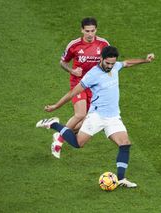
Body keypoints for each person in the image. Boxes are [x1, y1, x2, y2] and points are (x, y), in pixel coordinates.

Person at [36, 46, 155, 188]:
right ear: (101, 59)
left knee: (125, 144)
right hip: (96, 116)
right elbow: (73, 92)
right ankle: (54, 124)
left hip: (113, 117)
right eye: (107, 63)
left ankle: (121, 178)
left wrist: (145, 61)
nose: (110, 66)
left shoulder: (115, 66)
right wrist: (56, 106)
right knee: (77, 143)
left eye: (112, 63)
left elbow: (127, 63)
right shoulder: (93, 75)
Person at [52, 17, 110, 159]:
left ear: (96, 30)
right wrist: (72, 71)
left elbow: (109, 63)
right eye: (87, 31)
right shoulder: (74, 45)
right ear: (82, 30)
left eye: (92, 31)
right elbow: (63, 62)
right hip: (79, 83)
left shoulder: (103, 44)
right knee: (80, 114)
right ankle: (59, 139)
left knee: (87, 121)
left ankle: (60, 131)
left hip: (95, 86)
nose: (90, 34)